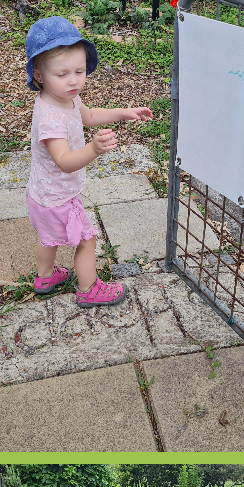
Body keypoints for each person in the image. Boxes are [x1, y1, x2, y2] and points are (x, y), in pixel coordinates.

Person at [24, 17, 151, 307]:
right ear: (39, 75)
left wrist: (123, 112)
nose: (73, 80)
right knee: (86, 241)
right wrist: (94, 148)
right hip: (59, 197)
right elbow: (65, 161)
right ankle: (89, 289)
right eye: (63, 74)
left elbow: (90, 116)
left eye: (79, 71)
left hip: (43, 194)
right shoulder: (50, 119)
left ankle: (45, 277)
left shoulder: (64, 98)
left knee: (49, 238)